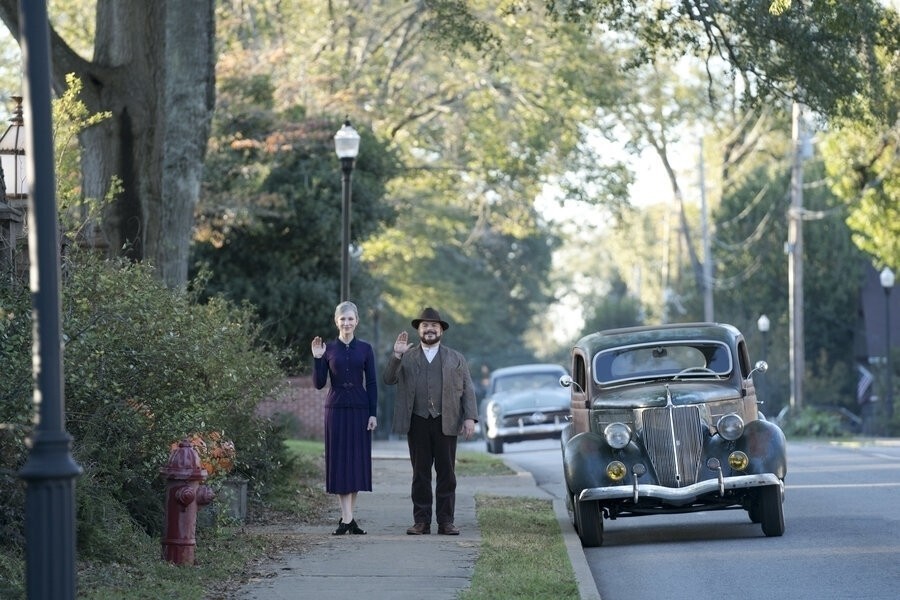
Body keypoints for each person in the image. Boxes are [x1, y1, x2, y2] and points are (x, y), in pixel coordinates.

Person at [383, 307, 477, 535]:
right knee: (420, 473)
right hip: (417, 421)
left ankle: (446, 522)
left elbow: (468, 389)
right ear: (419, 330)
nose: (429, 329)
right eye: (425, 325)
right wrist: (396, 356)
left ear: (441, 330)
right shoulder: (407, 356)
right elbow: (388, 379)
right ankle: (421, 521)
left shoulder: (456, 358)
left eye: (434, 325)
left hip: (447, 421)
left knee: (447, 474)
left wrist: (470, 417)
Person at [311, 301, 378, 535]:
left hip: (360, 409)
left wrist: (373, 413)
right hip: (336, 409)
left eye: (350, 319)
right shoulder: (328, 349)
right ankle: (347, 518)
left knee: (356, 462)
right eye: (343, 319)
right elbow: (319, 384)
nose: (346, 323)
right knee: (340, 462)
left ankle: (347, 519)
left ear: (356, 321)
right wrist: (317, 359)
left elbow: (372, 383)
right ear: (336, 321)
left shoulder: (366, 349)